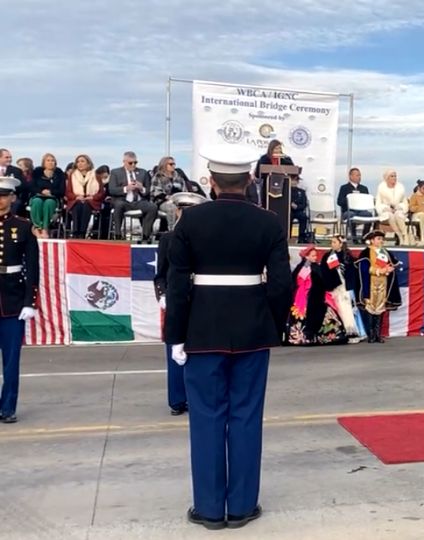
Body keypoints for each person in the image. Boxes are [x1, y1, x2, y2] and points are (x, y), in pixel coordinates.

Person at [164, 145, 292, 530]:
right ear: (250, 180)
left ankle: (208, 508)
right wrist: (271, 323)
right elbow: (281, 284)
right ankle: (240, 507)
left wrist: (176, 336)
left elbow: (177, 285)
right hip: (252, 330)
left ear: (211, 182)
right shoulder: (268, 222)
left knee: (205, 419)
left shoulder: (189, 222)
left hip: (202, 330)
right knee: (246, 417)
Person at [154, 192, 207, 416]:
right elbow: (161, 275)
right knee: (175, 349)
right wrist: (163, 295)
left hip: (200, 299)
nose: (184, 215)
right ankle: (177, 399)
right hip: (176, 299)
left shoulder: (206, 238)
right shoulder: (168, 239)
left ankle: (197, 398)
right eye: (181, 210)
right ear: (176, 211)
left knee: (201, 353)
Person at [0, 176, 38, 425]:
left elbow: (32, 267)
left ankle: (8, 407)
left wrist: (29, 301)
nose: (0, 200)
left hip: (12, 299)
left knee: (11, 360)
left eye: (4, 195)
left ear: (12, 198)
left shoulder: (22, 226)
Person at [285, 246, 347, 346]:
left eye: (316, 255)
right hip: (304, 295)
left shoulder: (314, 267)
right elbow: (298, 281)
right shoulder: (303, 267)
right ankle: (307, 336)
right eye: (313, 256)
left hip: (316, 295)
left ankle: (320, 336)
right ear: (307, 256)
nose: (315, 257)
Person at [357, 230, 402, 343]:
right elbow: (364, 269)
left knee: (381, 307)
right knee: (371, 307)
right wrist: (379, 271)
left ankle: (378, 334)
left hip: (383, 283)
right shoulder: (366, 253)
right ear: (372, 240)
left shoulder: (385, 252)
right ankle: (371, 334)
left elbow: (391, 264)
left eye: (382, 239)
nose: (381, 241)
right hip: (371, 283)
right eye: (378, 239)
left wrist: (388, 270)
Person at [318, 236, 362, 343]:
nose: (332, 244)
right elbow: (323, 270)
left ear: (340, 244)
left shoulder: (347, 256)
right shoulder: (328, 256)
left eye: (334, 242)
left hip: (344, 287)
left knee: (346, 309)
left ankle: (351, 332)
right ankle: (337, 333)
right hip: (332, 286)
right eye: (331, 242)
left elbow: (352, 272)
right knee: (334, 309)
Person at [108, 151, 158, 243]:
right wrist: (126, 188)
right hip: (123, 200)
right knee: (118, 205)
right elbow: (111, 190)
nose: (133, 165)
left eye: (135, 162)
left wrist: (141, 188)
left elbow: (148, 190)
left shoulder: (143, 172)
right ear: (124, 162)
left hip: (139, 201)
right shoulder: (115, 172)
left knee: (152, 207)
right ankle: (118, 234)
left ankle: (146, 235)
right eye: (130, 163)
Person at [65, 154, 105, 238]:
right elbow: (68, 193)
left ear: (88, 163)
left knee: (86, 204)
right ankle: (76, 232)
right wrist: (76, 197)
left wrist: (92, 197)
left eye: (82, 161)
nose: (80, 163)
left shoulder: (96, 176)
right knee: (78, 204)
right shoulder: (72, 176)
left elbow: (101, 193)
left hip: (92, 201)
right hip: (76, 200)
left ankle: (82, 232)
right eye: (78, 162)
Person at [150, 156, 192, 230]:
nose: (173, 166)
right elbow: (155, 192)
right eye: (171, 164)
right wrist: (168, 197)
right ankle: (172, 230)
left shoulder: (178, 177)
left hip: (178, 201)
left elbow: (184, 190)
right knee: (172, 207)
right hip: (163, 201)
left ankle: (186, 231)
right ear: (164, 165)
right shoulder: (158, 176)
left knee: (189, 209)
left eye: (174, 164)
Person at [29, 153, 66, 236]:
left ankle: (45, 228)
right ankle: (38, 228)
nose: (50, 162)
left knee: (49, 203)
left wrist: (51, 192)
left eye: (53, 161)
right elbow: (31, 187)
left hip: (52, 198)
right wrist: (41, 191)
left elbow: (62, 190)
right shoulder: (37, 172)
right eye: (48, 160)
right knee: (37, 202)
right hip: (38, 195)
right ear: (44, 162)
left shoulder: (59, 173)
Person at [250, 140, 294, 207]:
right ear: (271, 149)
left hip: (283, 186)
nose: (278, 150)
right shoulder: (264, 158)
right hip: (267, 186)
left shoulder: (286, 159)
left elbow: (292, 170)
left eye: (280, 148)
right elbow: (258, 174)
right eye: (276, 148)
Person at [337, 167, 373, 242]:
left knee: (369, 215)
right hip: (348, 211)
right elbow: (339, 202)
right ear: (350, 176)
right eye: (357, 175)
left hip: (361, 211)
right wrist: (350, 200)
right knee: (351, 215)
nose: (359, 177)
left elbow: (367, 202)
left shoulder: (364, 188)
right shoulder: (344, 188)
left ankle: (365, 237)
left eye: (359, 175)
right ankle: (354, 238)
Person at [375, 169, 409, 245]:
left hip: (398, 210)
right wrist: (385, 208)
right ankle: (400, 236)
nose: (394, 178)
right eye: (392, 176)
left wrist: (399, 207)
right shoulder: (381, 188)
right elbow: (378, 203)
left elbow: (405, 203)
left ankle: (405, 235)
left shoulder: (400, 187)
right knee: (390, 215)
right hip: (386, 211)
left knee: (398, 215)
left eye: (395, 176)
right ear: (387, 178)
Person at [289, 175, 311, 243]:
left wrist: (297, 207)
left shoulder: (301, 192)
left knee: (304, 217)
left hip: (298, 210)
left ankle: (301, 237)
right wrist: (290, 205)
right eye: (293, 180)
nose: (294, 182)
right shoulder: (287, 191)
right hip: (289, 211)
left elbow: (304, 204)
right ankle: (288, 236)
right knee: (287, 218)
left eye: (296, 181)